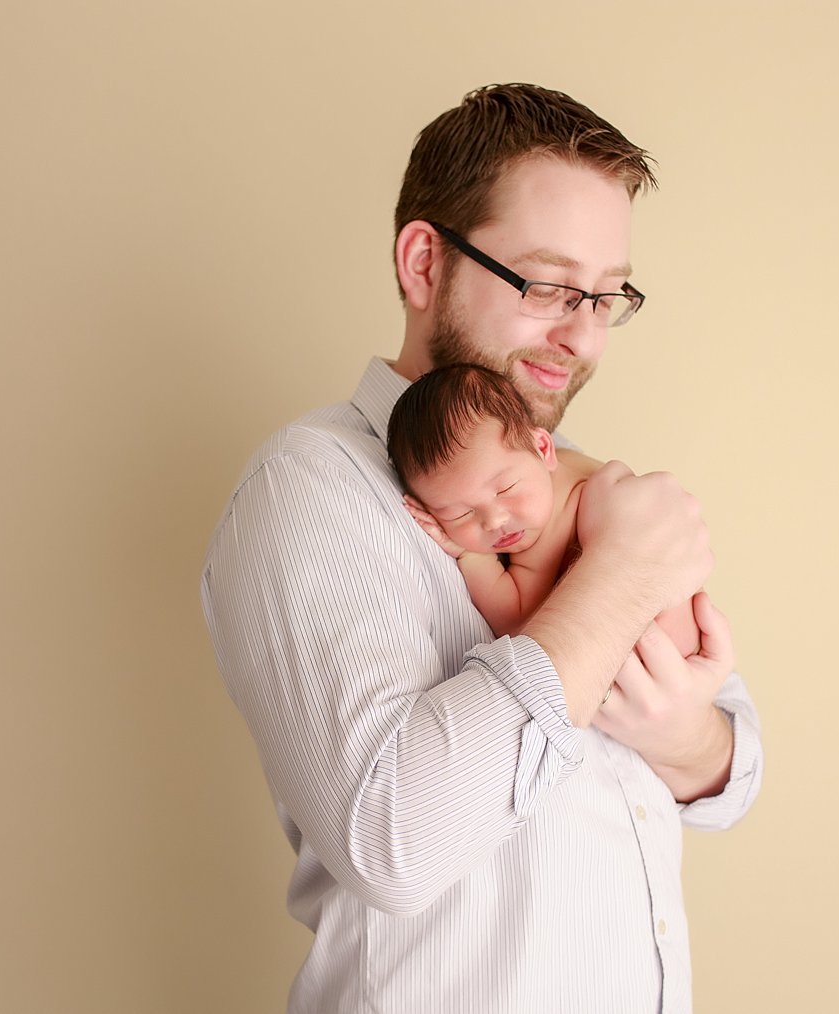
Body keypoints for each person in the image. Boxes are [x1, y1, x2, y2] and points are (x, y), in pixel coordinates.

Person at [201, 83, 763, 1014]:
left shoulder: (578, 482)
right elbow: (394, 842)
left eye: (606, 295)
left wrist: (682, 734)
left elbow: (731, 772)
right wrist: (618, 581)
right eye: (546, 285)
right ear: (425, 264)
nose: (581, 335)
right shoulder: (308, 489)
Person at [388, 362, 704, 664]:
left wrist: (471, 557)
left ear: (543, 448)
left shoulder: (549, 534)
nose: (494, 520)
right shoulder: (566, 467)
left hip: (657, 647)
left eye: (506, 489)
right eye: (461, 514)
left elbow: (518, 623)